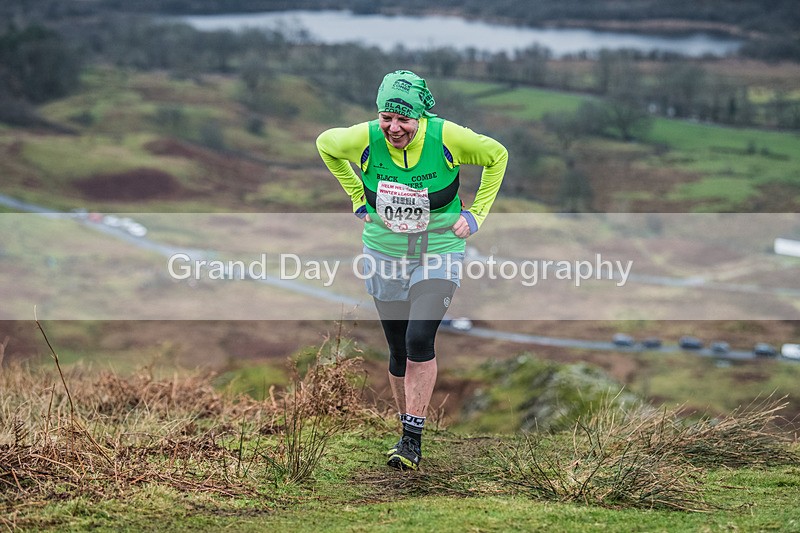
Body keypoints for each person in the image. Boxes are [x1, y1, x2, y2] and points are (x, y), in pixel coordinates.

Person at [316, 70, 507, 471]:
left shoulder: (447, 137)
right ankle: (405, 429)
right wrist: (356, 196)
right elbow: (325, 144)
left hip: (439, 249)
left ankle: (410, 441)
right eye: (387, 117)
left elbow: (497, 156)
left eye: (404, 119)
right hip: (384, 252)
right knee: (399, 347)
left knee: (420, 338)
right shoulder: (364, 139)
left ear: (421, 117)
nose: (394, 127)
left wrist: (477, 215)